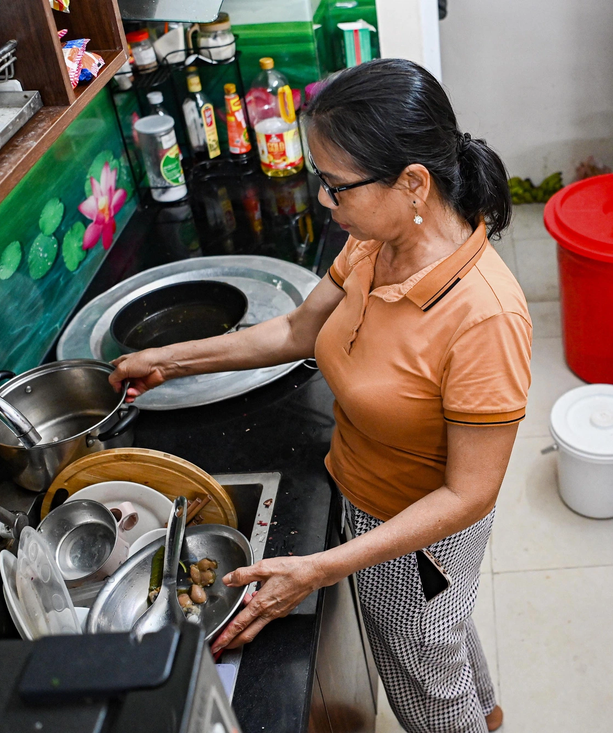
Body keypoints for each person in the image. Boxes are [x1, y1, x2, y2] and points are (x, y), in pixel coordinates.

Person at [109, 58, 532, 733]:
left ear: (413, 183)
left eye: (335, 187)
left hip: (411, 533)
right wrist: (171, 360)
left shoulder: (486, 315)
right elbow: (297, 330)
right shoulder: (376, 240)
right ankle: (488, 711)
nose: (322, 203)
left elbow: (469, 493)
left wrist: (317, 568)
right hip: (359, 492)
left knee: (422, 669)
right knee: (440, 636)